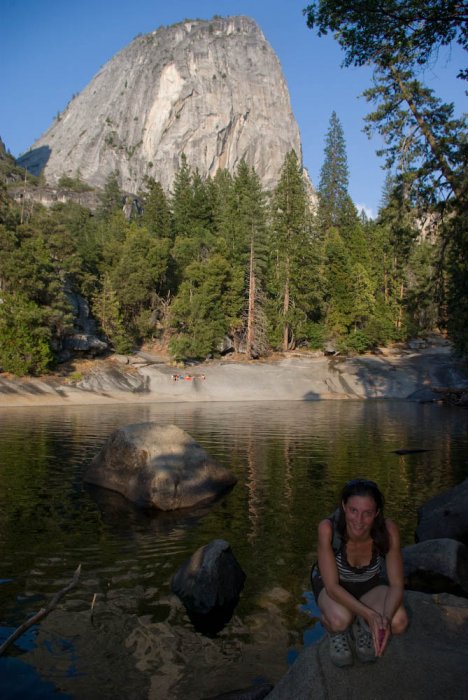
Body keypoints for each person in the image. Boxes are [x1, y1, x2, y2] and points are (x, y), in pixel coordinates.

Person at [311, 478, 408, 667]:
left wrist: (384, 621)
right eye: (353, 510)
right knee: (340, 620)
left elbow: (397, 584)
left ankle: (363, 626)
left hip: (369, 586)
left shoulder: (388, 530)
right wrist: (372, 615)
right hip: (334, 587)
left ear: (377, 513)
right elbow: (331, 587)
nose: (359, 520)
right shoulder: (328, 529)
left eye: (367, 513)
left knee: (399, 622)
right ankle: (337, 632)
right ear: (344, 507)